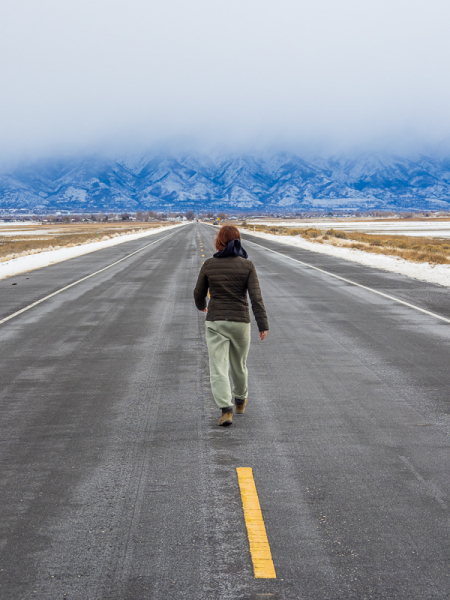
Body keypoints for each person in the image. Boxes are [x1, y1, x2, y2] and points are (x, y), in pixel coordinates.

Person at [194, 225, 269, 426]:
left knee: (218, 367)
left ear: (219, 241)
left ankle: (226, 410)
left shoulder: (209, 264)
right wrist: (262, 323)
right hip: (240, 322)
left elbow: (198, 293)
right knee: (239, 364)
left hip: (216, 321)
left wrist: (202, 306)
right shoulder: (247, 265)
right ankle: (240, 400)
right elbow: (256, 298)